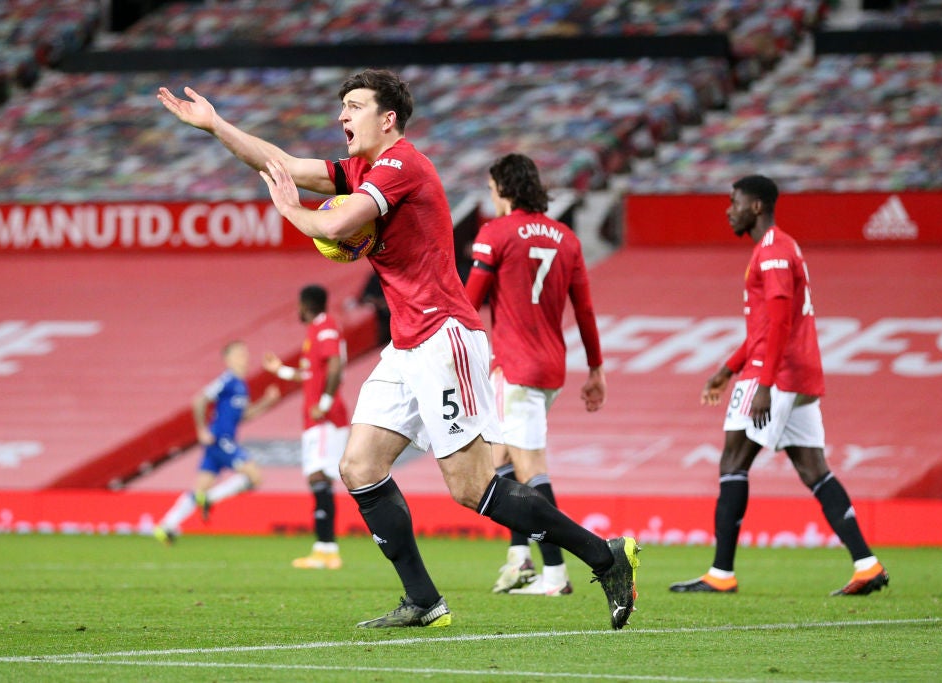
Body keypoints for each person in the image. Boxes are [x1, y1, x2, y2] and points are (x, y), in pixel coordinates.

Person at [157, 68, 639, 629]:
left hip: (444, 337)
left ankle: (607, 557)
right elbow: (283, 165)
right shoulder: (361, 169)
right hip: (407, 345)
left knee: (472, 487)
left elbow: (342, 227)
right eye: (342, 107)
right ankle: (423, 600)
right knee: (358, 465)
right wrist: (216, 125)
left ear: (387, 119)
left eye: (354, 106)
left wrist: (292, 213)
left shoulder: (402, 165)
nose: (342, 116)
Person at [669, 175, 889, 596]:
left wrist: (764, 383)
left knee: (733, 463)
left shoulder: (771, 252)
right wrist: (728, 367)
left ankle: (721, 573)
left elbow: (781, 323)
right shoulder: (780, 248)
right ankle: (866, 564)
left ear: (755, 207)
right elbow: (768, 325)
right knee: (814, 469)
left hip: (777, 374)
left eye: (734, 202)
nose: (727, 209)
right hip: (798, 372)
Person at [465, 153, 606, 596]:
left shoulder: (495, 234)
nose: (490, 198)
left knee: (526, 469)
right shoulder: (566, 238)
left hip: (514, 365)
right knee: (499, 461)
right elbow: (583, 309)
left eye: (491, 189)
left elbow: (470, 304)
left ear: (504, 188)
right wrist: (596, 368)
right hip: (551, 367)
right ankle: (519, 558)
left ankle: (556, 573)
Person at [155, 340, 280, 543]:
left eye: (246, 354)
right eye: (239, 354)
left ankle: (167, 525)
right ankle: (211, 499)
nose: (245, 358)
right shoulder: (227, 380)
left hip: (219, 444)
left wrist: (266, 402)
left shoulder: (241, 386)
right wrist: (201, 430)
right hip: (221, 440)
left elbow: (245, 415)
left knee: (199, 489)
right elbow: (199, 400)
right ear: (228, 359)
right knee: (255, 477)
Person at [263, 285, 350, 570]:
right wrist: (279, 371)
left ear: (305, 304)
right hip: (316, 419)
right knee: (317, 478)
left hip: (325, 418)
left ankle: (326, 549)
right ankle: (325, 548)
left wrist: (324, 403)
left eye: (299, 305)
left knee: (319, 476)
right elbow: (311, 374)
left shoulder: (325, 328)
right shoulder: (314, 330)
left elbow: (335, 367)